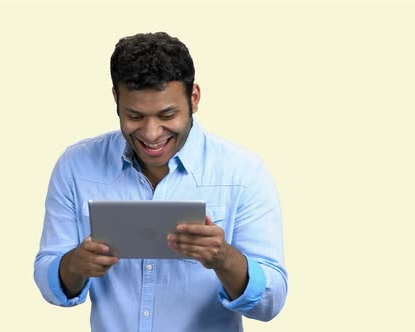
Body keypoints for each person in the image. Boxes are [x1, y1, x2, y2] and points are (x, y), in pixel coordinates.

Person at [33, 32, 287, 332]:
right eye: (135, 116)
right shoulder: (75, 166)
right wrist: (74, 265)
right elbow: (48, 279)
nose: (152, 134)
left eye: (167, 114)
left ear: (193, 98)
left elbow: (270, 303)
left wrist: (224, 259)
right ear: (116, 98)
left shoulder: (243, 173)